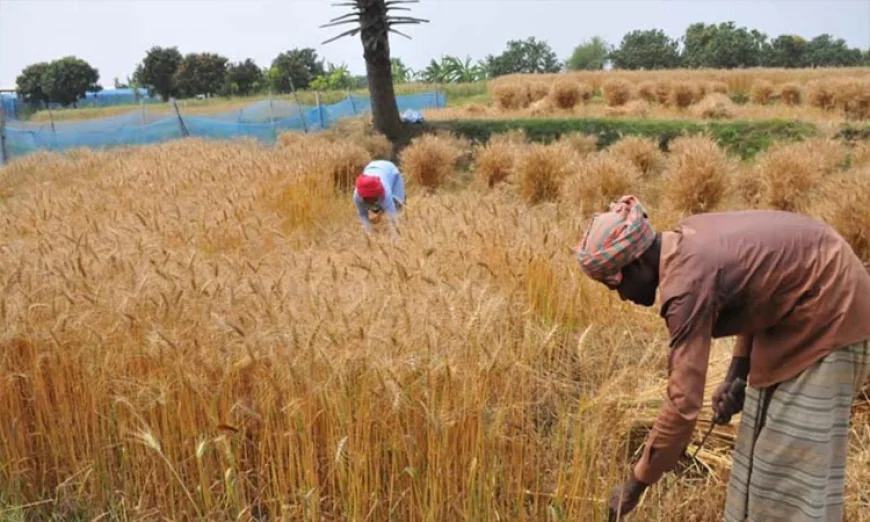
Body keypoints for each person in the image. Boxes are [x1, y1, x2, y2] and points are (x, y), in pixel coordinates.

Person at [572, 195, 870, 522]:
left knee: (790, 472)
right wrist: (736, 376)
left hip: (833, 308)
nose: (622, 296)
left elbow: (683, 404)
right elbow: (761, 287)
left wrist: (635, 485)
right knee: (756, 463)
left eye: (616, 283)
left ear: (638, 262)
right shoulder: (689, 238)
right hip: (794, 309)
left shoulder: (686, 285)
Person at [353, 160, 406, 237]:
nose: (372, 202)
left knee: (398, 206)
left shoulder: (385, 192)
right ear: (363, 197)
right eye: (370, 200)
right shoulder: (357, 196)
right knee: (377, 209)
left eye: (374, 199)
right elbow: (363, 215)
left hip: (391, 171)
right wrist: (370, 234)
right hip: (371, 167)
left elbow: (392, 216)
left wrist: (396, 238)